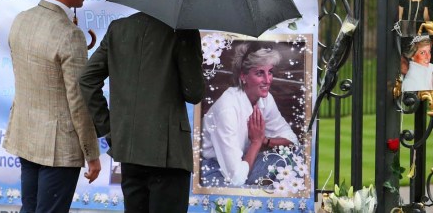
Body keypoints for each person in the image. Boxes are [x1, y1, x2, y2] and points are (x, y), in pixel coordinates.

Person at [80, 12, 204, 213]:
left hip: (130, 150)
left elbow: (87, 80)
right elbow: (194, 93)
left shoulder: (118, 28)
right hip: (169, 156)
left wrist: (110, 129)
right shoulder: (183, 32)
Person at [3, 0, 100, 213]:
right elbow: (78, 102)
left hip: (26, 136)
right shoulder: (69, 34)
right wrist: (92, 153)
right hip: (59, 147)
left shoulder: (21, 20)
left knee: (30, 209)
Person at [200, 43, 299, 187]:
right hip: (211, 169)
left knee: (296, 156)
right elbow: (236, 179)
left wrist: (264, 140)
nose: (268, 80)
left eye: (270, 72)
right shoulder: (227, 109)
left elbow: (292, 140)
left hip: (241, 165)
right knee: (252, 191)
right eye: (260, 73)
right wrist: (256, 142)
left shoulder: (265, 98)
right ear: (243, 76)